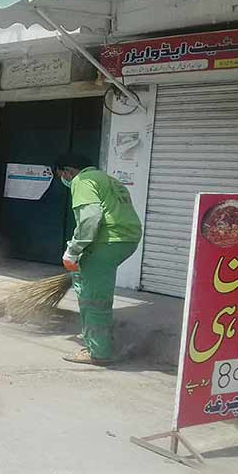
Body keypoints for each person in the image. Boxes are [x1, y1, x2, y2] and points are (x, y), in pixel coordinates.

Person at [55, 157, 141, 366]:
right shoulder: (108, 180)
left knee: (93, 298)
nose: (64, 181)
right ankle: (97, 340)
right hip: (126, 240)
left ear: (67, 172)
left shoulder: (82, 181)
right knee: (89, 286)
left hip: (107, 241)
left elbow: (90, 218)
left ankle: (98, 352)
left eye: (61, 177)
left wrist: (73, 251)